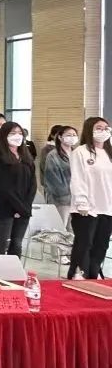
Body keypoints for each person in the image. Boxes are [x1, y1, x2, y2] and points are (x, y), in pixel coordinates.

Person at [68, 117, 112, 280]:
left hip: (107, 207)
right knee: (85, 243)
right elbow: (78, 178)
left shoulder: (109, 153)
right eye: (99, 128)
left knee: (101, 244)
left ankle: (93, 275)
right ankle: (78, 274)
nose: (103, 131)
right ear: (89, 130)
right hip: (86, 208)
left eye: (106, 128)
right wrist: (81, 201)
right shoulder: (81, 152)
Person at [0, 121, 36, 256]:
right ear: (4, 135)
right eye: (13, 133)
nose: (17, 136)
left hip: (24, 208)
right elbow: (3, 185)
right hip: (5, 207)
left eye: (20, 133)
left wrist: (25, 206)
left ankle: (14, 269)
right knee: (2, 244)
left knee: (17, 243)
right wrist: (18, 207)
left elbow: (33, 183)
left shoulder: (26, 155)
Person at [42, 125, 76, 225]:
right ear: (60, 137)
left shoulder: (76, 153)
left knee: (73, 229)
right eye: (69, 135)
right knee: (60, 227)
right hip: (61, 199)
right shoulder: (53, 155)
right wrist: (65, 195)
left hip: (76, 199)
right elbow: (53, 179)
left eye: (74, 135)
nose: (72, 137)